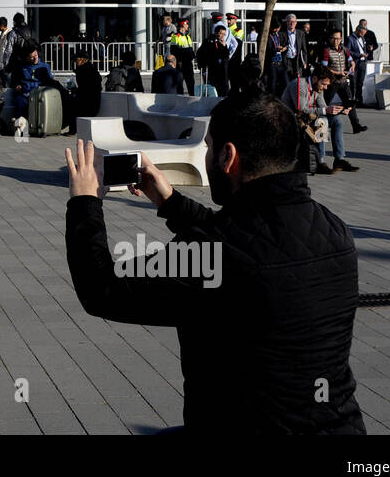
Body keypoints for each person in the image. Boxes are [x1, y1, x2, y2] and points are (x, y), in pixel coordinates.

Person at [63, 90, 367, 434]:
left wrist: (85, 202)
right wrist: (170, 203)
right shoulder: (336, 232)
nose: (206, 155)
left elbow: (101, 287)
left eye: (208, 146)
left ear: (228, 156)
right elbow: (250, 241)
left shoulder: (213, 256)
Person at [283, 64, 357, 174]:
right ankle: (320, 161)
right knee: (322, 122)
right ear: (315, 78)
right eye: (324, 84)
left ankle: (339, 159)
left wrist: (338, 110)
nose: (325, 87)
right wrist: (325, 111)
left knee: (337, 121)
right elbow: (301, 109)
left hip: (309, 117)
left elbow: (323, 107)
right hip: (294, 119)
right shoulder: (300, 84)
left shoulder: (318, 87)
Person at [321, 28, 367, 133]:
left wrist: (352, 66)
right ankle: (321, 125)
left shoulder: (344, 49)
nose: (335, 41)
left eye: (338, 38)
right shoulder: (327, 51)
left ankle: (356, 126)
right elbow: (324, 67)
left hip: (343, 81)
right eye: (333, 38)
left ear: (341, 39)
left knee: (350, 103)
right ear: (329, 39)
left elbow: (351, 60)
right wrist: (338, 73)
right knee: (325, 104)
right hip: (331, 83)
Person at [198, 23, 238, 97]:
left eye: (224, 34)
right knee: (213, 91)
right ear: (216, 33)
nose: (222, 36)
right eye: (221, 34)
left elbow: (226, 56)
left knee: (224, 91)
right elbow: (200, 54)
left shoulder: (222, 43)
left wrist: (225, 46)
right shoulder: (208, 42)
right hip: (212, 70)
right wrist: (202, 68)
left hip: (223, 71)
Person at [72, 48, 102, 119]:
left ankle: (74, 129)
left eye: (76, 60)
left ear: (82, 59)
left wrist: (74, 90)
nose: (75, 62)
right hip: (93, 104)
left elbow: (85, 90)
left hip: (87, 105)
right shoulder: (91, 68)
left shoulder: (83, 71)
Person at [168, 19, 196, 96]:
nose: (188, 26)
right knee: (179, 83)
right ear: (183, 25)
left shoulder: (187, 36)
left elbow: (190, 48)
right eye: (187, 24)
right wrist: (179, 61)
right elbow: (174, 51)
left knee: (191, 83)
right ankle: (179, 98)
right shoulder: (176, 36)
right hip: (181, 63)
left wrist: (193, 56)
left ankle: (192, 98)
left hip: (188, 63)